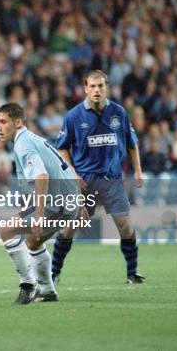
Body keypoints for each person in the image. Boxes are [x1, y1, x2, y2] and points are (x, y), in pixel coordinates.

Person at [53, 70, 146, 284]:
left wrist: (138, 170)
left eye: (101, 86)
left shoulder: (119, 113)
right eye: (92, 86)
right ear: (86, 88)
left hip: (112, 180)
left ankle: (132, 272)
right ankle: (54, 272)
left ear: (107, 88)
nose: (96, 90)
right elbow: (63, 148)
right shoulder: (74, 116)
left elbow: (132, 143)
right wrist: (72, 174)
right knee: (70, 227)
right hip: (84, 181)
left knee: (125, 226)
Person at [0, 103, 86, 304]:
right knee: (33, 242)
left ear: (17, 122)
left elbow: (42, 175)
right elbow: (67, 169)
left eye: (3, 122)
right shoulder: (36, 139)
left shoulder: (23, 143)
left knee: (6, 230)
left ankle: (28, 285)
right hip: (68, 202)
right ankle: (47, 291)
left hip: (55, 203)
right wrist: (80, 203)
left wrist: (38, 214)